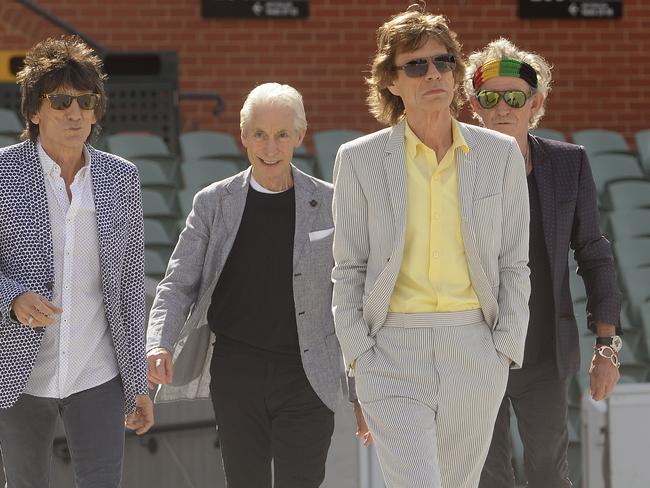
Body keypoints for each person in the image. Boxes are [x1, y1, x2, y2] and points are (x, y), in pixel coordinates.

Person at [331, 6, 530, 488]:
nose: (433, 74)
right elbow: (349, 267)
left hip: (474, 350)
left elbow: (514, 262)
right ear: (391, 82)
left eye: (442, 62)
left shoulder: (499, 154)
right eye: (415, 65)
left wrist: (503, 348)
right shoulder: (358, 160)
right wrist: (360, 353)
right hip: (392, 351)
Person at [146, 82, 346, 488]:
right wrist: (158, 341)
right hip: (237, 371)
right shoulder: (212, 203)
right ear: (243, 136)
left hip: (308, 374)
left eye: (281, 135)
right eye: (259, 134)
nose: (270, 146)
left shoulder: (331, 202)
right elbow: (178, 282)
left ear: (300, 137)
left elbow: (352, 290)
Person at [465, 38, 622, 488]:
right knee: (488, 477)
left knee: (549, 474)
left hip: (544, 352)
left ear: (536, 102)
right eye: (489, 97)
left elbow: (594, 254)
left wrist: (606, 346)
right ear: (474, 104)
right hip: (476, 351)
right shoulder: (453, 165)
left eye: (514, 97)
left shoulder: (567, 163)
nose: (502, 108)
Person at [0, 36, 153, 488]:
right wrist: (12, 298)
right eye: (61, 100)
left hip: (97, 370)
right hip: (19, 373)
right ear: (34, 111)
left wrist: (137, 382)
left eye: (85, 102)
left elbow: (128, 290)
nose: (74, 113)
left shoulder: (122, 178)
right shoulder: (3, 174)